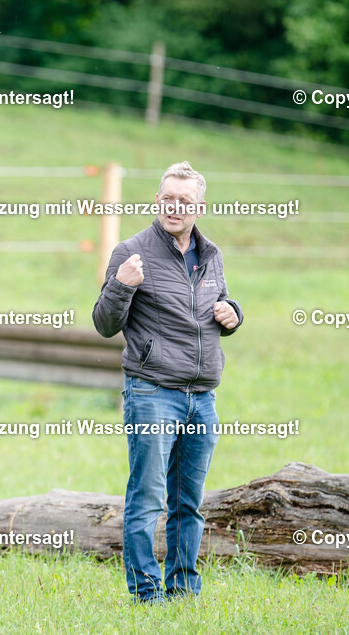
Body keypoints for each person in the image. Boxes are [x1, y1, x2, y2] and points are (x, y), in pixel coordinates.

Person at [92, 161, 243, 604]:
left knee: (188, 504)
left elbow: (219, 305)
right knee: (147, 500)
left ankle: (183, 591)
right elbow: (103, 324)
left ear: (199, 206)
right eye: (168, 199)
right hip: (152, 393)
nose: (175, 207)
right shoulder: (131, 252)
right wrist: (122, 286)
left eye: (185, 201)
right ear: (158, 200)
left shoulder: (211, 255)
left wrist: (233, 313)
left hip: (202, 397)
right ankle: (146, 595)